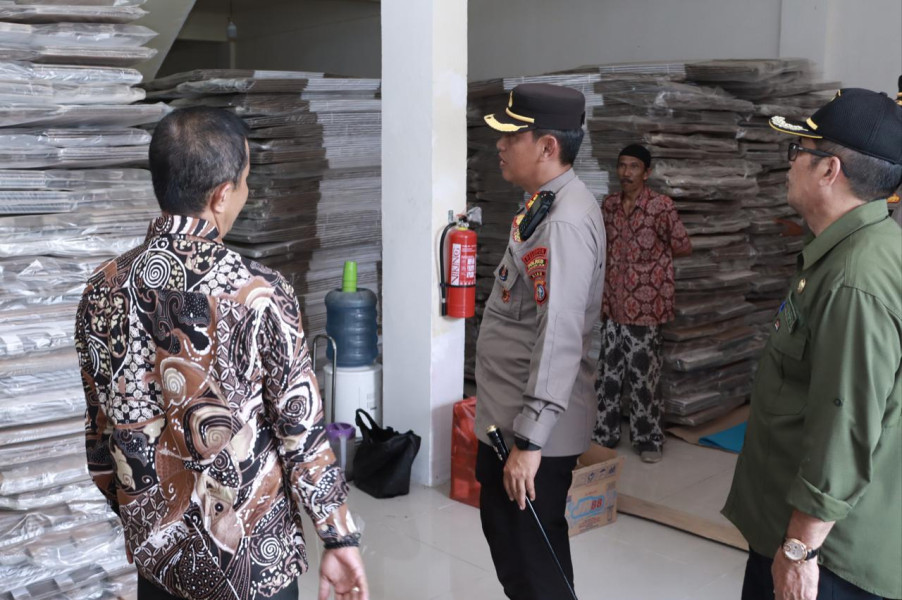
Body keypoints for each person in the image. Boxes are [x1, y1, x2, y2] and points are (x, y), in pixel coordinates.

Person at [75, 107, 369, 600]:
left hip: (159, 562)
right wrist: (337, 536)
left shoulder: (101, 289)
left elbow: (100, 437)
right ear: (221, 194)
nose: (245, 193)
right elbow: (300, 432)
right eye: (246, 182)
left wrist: (143, 519)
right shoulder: (259, 292)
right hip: (252, 563)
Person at [722, 89, 902, 600]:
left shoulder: (855, 279)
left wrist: (800, 549)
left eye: (797, 151)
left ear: (829, 170)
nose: (790, 164)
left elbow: (845, 427)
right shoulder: (852, 250)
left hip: (827, 557)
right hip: (803, 533)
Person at [474, 83, 605, 599]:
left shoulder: (565, 222)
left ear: (547, 146)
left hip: (530, 435)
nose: (500, 145)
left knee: (535, 568)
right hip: (510, 421)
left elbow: (560, 336)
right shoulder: (544, 203)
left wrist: (529, 443)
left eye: (512, 136)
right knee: (515, 554)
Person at [592, 144, 691, 463]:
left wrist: (651, 270)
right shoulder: (609, 206)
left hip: (646, 309)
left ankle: (648, 439)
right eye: (622, 166)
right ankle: (604, 434)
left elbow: (682, 245)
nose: (626, 172)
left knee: (643, 378)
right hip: (613, 305)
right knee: (608, 376)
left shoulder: (661, 206)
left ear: (647, 172)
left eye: (634, 166)